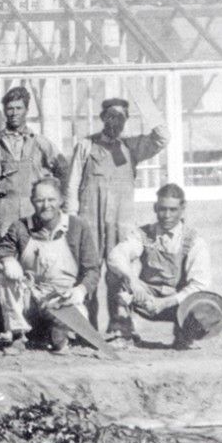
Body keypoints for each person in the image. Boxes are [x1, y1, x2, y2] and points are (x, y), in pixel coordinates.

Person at [64, 97, 169, 330]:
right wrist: (71, 220)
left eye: (121, 116)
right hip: (89, 222)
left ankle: (119, 326)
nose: (116, 121)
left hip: (120, 224)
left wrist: (146, 106)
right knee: (87, 273)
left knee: (119, 274)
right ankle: (85, 328)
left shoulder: (132, 147)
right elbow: (72, 185)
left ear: (127, 120)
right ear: (102, 118)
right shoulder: (86, 145)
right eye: (111, 115)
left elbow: (162, 138)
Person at [0, 178, 100, 352]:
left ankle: (58, 334)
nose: (46, 205)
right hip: (30, 298)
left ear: (61, 201)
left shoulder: (77, 226)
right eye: (40, 200)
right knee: (3, 274)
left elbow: (92, 270)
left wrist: (80, 290)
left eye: (51, 200)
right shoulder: (20, 227)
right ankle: (18, 336)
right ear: (32, 201)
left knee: (63, 335)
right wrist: (8, 260)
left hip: (62, 297)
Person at [106, 183, 212, 349]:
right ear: (155, 208)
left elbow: (200, 285)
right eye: (162, 209)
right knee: (115, 274)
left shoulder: (195, 241)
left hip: (176, 303)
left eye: (173, 210)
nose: (167, 215)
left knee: (201, 302)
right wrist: (132, 280)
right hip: (145, 298)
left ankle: (184, 336)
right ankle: (124, 333)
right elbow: (115, 256)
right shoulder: (143, 234)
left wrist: (166, 302)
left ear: (183, 208)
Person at [0, 87, 61, 247]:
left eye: (18, 108)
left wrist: (55, 203)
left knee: (37, 255)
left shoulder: (40, 143)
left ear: (27, 110)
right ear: (4, 111)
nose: (14, 113)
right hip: (6, 211)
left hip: (35, 210)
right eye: (10, 109)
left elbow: (63, 170)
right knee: (7, 259)